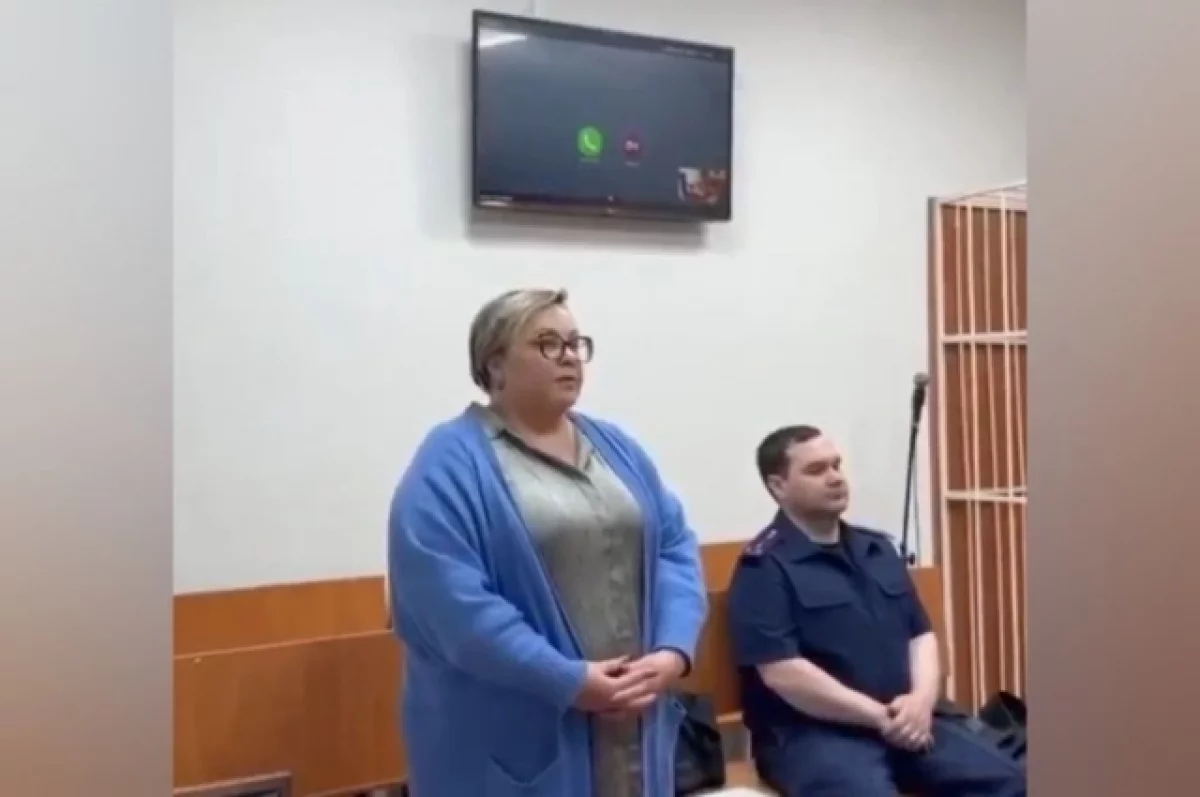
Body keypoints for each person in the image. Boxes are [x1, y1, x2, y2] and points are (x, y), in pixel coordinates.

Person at [388, 288, 708, 797]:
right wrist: (566, 679)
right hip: (513, 735)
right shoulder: (449, 463)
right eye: (547, 343)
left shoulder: (615, 447)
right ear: (495, 364)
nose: (569, 357)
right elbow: (450, 605)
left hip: (631, 727)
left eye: (576, 343)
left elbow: (673, 547)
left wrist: (672, 651)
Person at [727, 424, 1027, 797]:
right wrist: (879, 717)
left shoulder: (877, 550)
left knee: (1015, 782)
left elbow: (921, 635)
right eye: (816, 470)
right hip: (815, 735)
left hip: (910, 719)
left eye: (836, 465)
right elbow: (783, 674)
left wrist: (921, 702)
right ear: (778, 486)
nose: (835, 478)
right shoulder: (764, 567)